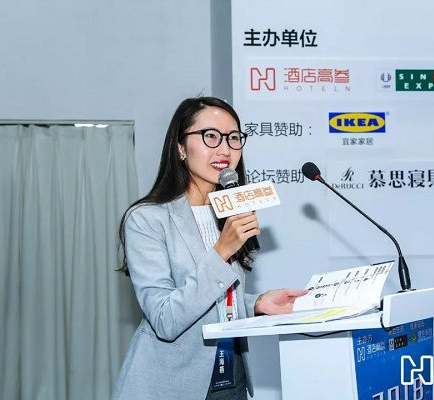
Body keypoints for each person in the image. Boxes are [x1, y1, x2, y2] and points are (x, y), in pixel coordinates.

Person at [112, 96, 308, 400]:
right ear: (180, 147)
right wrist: (221, 251)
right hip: (171, 384)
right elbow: (165, 319)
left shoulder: (231, 211)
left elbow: (215, 301)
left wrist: (256, 304)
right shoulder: (146, 219)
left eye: (233, 138)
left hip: (231, 378)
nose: (225, 149)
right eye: (210, 136)